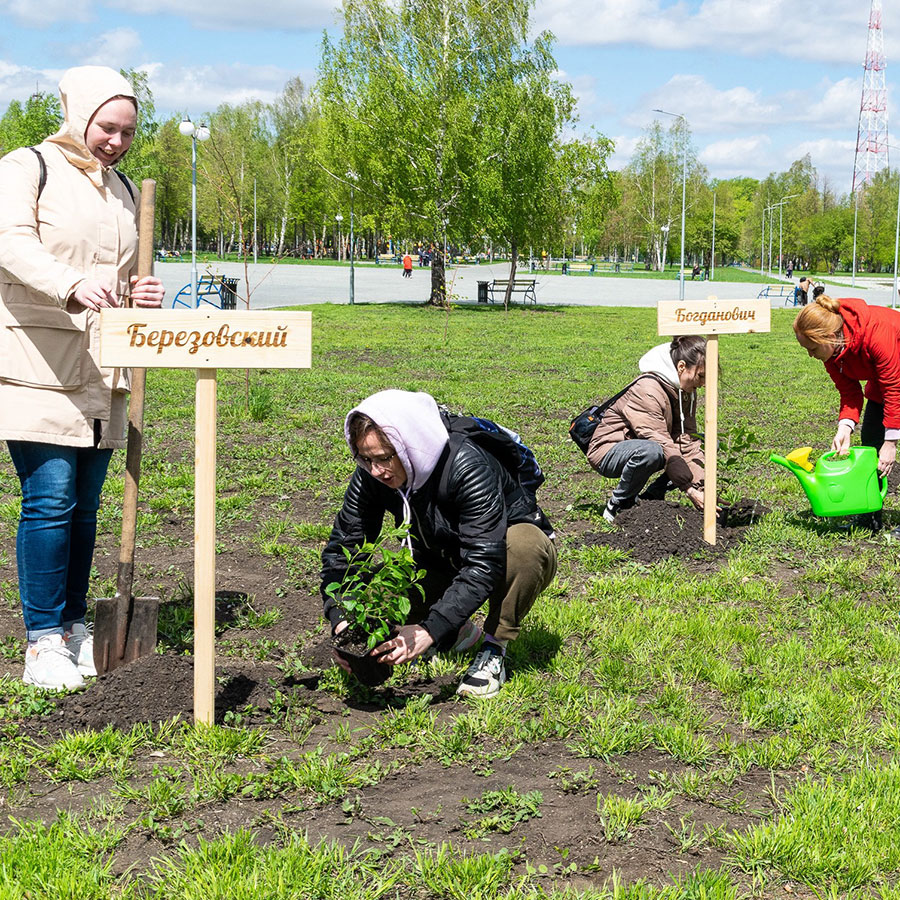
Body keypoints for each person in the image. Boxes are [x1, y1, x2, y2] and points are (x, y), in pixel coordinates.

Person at [0, 66, 165, 690]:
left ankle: (72, 627)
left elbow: (116, 276)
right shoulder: (26, 167)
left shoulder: (121, 187)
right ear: (78, 114)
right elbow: (9, 243)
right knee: (50, 500)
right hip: (37, 361)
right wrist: (69, 284)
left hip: (105, 366)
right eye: (106, 127)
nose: (116, 141)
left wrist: (138, 292)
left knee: (87, 507)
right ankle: (41, 642)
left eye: (127, 131)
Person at [321, 390, 557, 698]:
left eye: (383, 458)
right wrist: (341, 620)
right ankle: (457, 634)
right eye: (365, 459)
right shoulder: (371, 474)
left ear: (407, 446)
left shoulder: (466, 464)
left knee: (523, 546)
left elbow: (484, 561)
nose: (376, 470)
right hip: (438, 557)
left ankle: (494, 648)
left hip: (502, 552)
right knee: (375, 604)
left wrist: (428, 630)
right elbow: (344, 548)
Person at [793, 294, 900, 534]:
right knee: (871, 445)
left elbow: (895, 386)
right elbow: (850, 392)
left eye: (811, 348)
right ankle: (869, 514)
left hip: (894, 382)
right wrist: (845, 428)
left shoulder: (876, 330)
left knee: (885, 446)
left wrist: (891, 441)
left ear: (829, 337)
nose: (810, 355)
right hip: (881, 386)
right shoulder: (832, 352)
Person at [586, 336, 707, 523]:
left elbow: (687, 440)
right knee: (653, 451)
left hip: (650, 446)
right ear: (681, 366)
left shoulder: (686, 390)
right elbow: (661, 441)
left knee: (705, 442)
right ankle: (619, 504)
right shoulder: (647, 389)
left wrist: (703, 487)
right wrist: (689, 490)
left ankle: (652, 496)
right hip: (609, 450)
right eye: (700, 376)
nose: (703, 383)